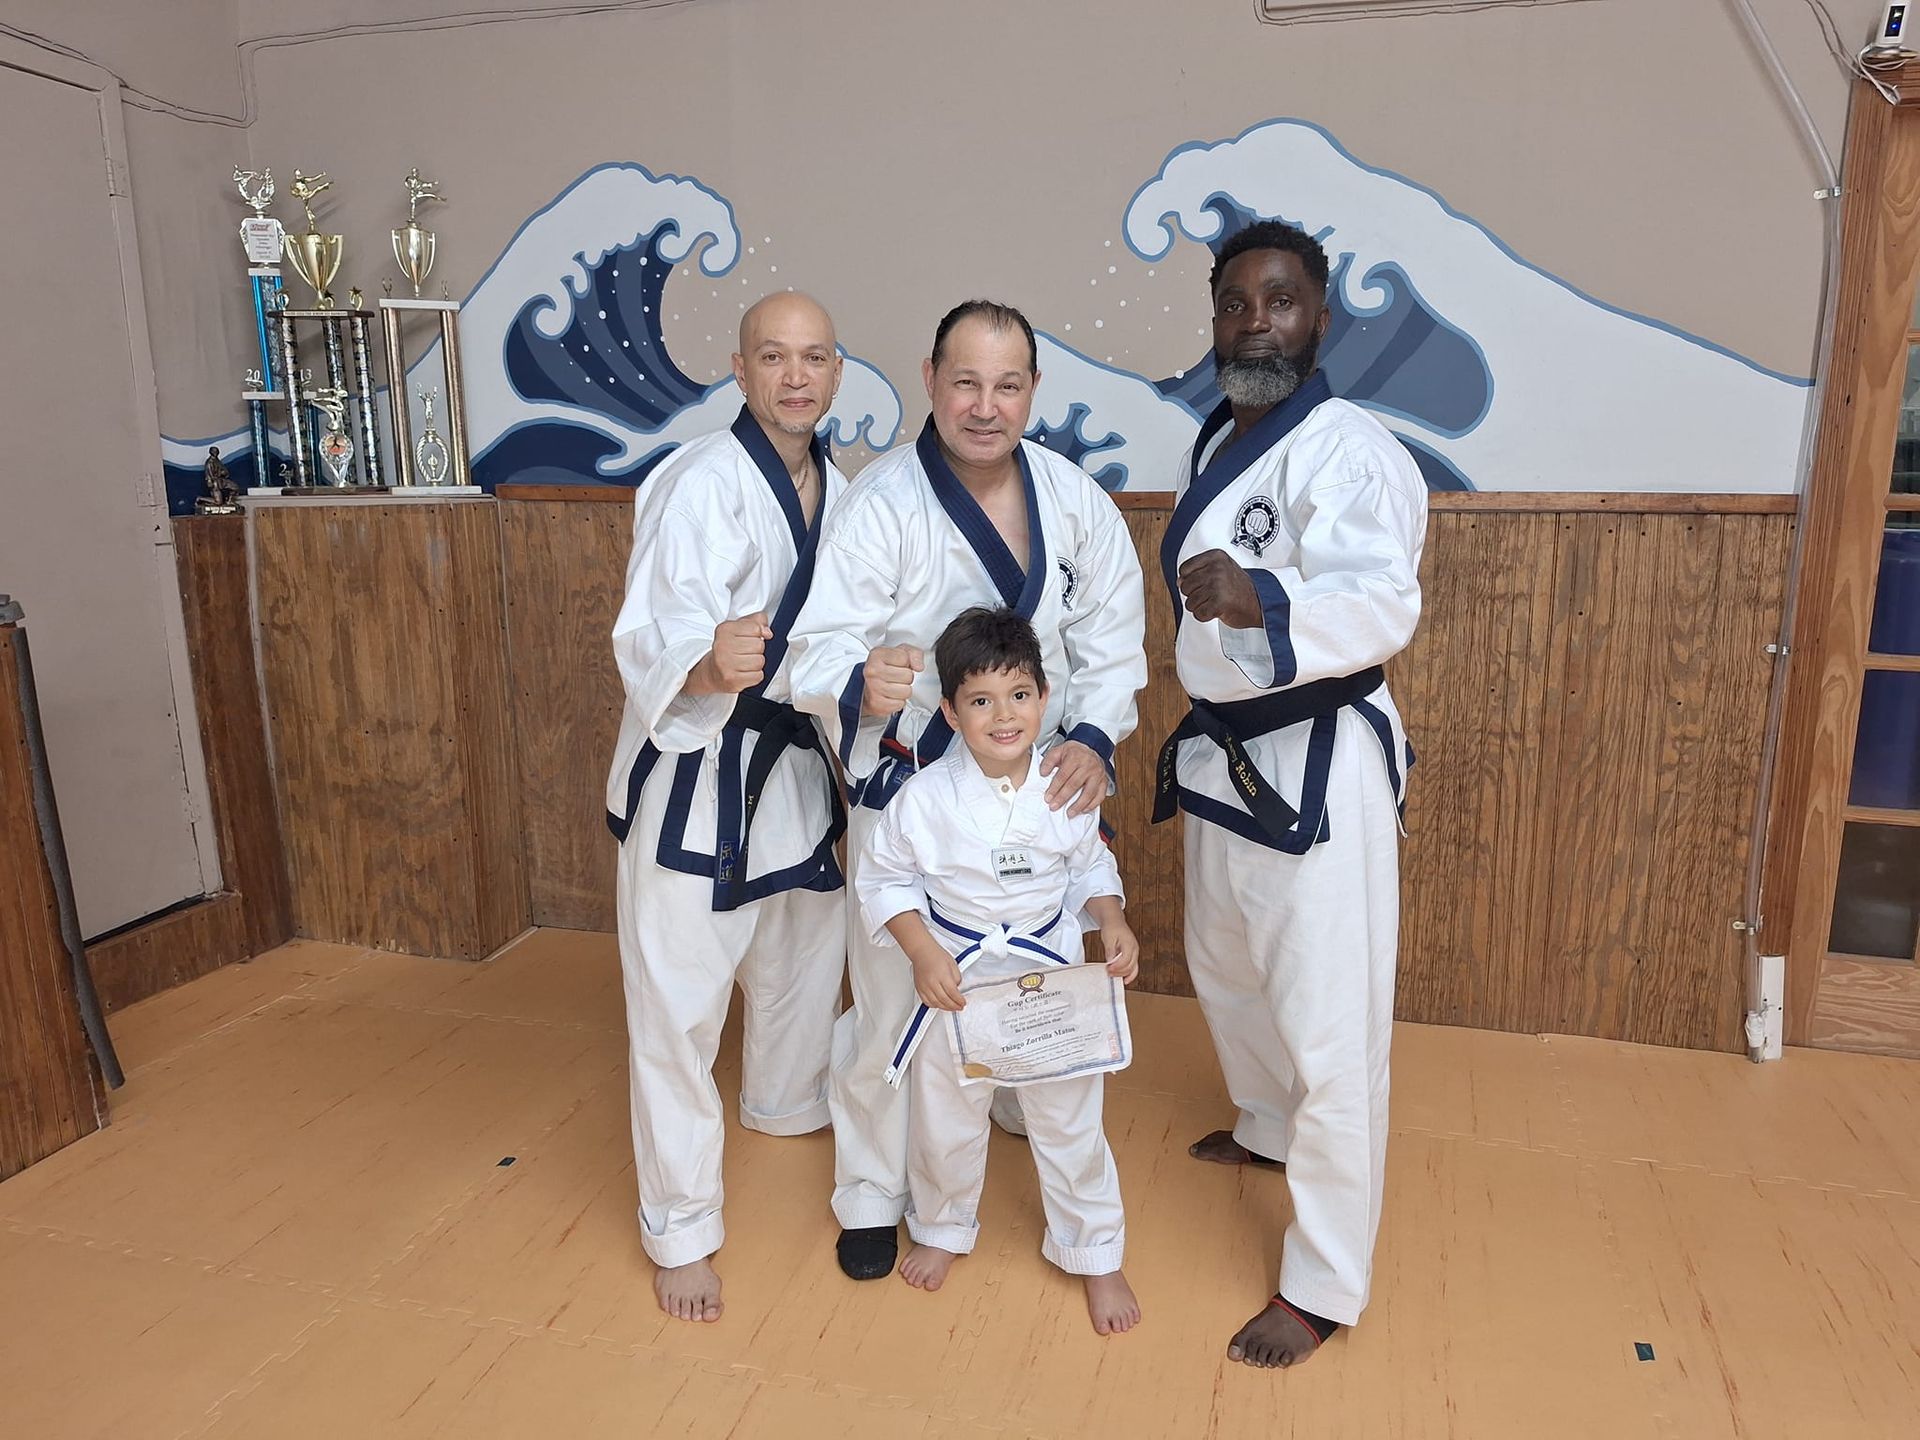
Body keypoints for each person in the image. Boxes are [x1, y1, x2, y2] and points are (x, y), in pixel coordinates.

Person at [787, 300, 1147, 1282]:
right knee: (895, 999)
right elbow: (818, 643)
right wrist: (858, 679)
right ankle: (871, 1189)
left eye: (1008, 384)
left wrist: (1098, 742)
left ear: (1033, 389)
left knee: (1026, 973)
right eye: (965, 382)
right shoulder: (882, 503)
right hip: (913, 791)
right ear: (929, 380)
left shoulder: (1077, 502)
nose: (985, 406)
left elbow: (1115, 647)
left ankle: (1009, 1100)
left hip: (1037, 782)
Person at [1155, 221, 1427, 1367]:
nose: (1255, 321)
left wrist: (1258, 598)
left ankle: (1322, 1282)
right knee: (1226, 966)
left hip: (1317, 755)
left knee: (1330, 1020)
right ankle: (1267, 1131)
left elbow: (1382, 603)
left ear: (1323, 317)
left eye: (1280, 301)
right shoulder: (1221, 433)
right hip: (1228, 753)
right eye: (1235, 303)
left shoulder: (1348, 447)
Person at [606, 291, 850, 1323]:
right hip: (701, 770)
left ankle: (785, 1105)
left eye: (815, 358)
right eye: (774, 357)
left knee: (804, 965)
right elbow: (642, 630)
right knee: (677, 1010)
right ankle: (680, 1225)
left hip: (802, 767)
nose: (796, 376)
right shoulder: (697, 480)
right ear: (738, 369)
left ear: (837, 372)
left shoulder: (853, 491)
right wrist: (704, 662)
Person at [858, 606, 1141, 1335]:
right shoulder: (922, 799)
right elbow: (884, 882)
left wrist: (1110, 921)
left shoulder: (1065, 786)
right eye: (981, 701)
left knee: (1070, 1122)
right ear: (950, 713)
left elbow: (1090, 866)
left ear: (1045, 699)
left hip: (1052, 981)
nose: (1003, 715)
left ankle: (1095, 1250)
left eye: (1019, 695)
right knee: (947, 1124)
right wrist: (923, 954)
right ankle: (944, 1227)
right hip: (958, 982)